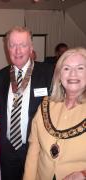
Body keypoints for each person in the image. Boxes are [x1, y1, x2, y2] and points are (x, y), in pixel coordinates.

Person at [0, 26, 53, 180]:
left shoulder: (49, 73)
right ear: (7, 48)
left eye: (23, 45)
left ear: (31, 47)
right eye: (13, 45)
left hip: (37, 147)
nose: (17, 51)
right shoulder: (0, 77)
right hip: (8, 148)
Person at [23, 47, 86, 180]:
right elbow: (34, 149)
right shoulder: (45, 105)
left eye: (80, 68)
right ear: (58, 75)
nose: (72, 74)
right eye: (66, 68)